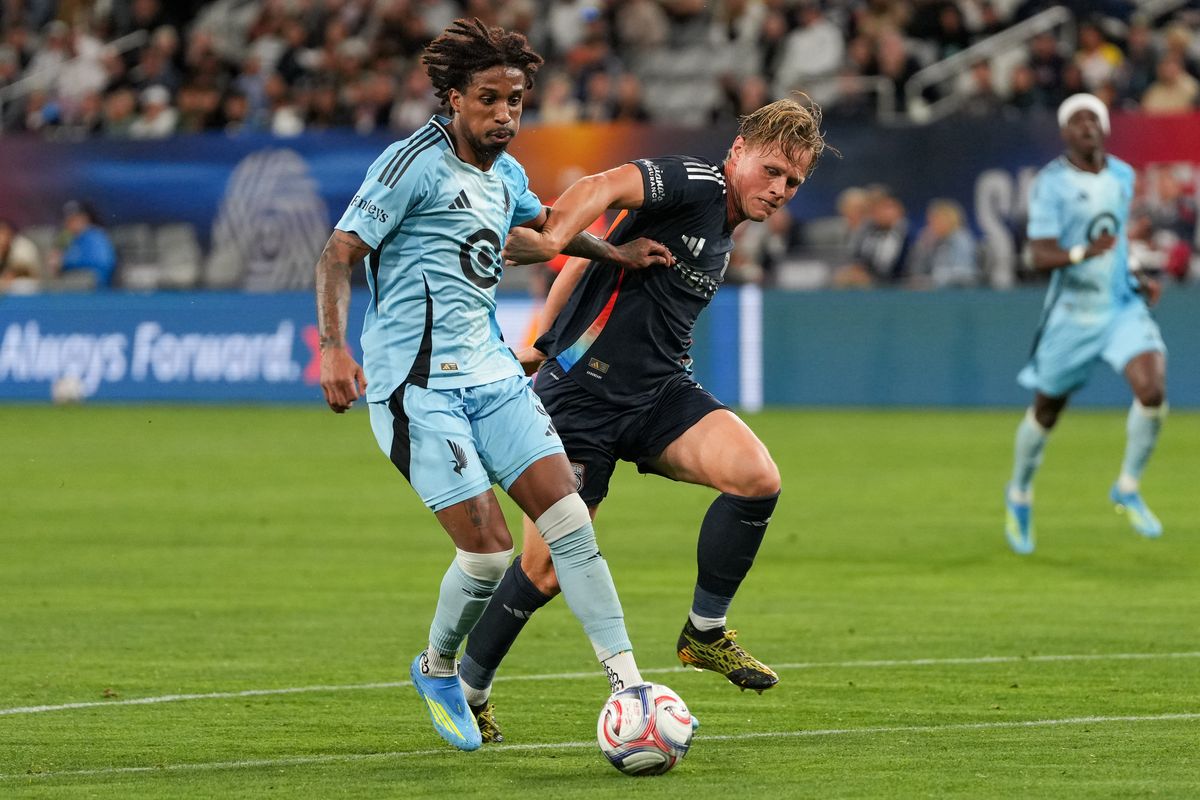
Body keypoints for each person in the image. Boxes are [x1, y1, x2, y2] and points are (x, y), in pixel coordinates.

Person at [314, 18, 673, 752]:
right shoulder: (411, 163)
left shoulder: (504, 175)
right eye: (489, 99)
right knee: (486, 556)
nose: (506, 114)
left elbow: (543, 233)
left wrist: (618, 252)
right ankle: (437, 665)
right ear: (453, 97)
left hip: (495, 377)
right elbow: (339, 252)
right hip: (418, 390)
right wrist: (332, 348)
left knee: (570, 525)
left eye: (516, 100)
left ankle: (630, 684)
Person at [458, 97, 831, 741]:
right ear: (738, 152)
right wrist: (548, 295)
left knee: (756, 478)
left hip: (658, 394)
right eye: (771, 170)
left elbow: (587, 257)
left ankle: (704, 633)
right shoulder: (695, 183)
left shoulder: (723, 224)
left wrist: (542, 332)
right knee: (544, 569)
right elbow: (600, 189)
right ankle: (468, 687)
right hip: (581, 404)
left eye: (792, 182)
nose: (779, 190)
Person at [1004, 93, 1168, 555]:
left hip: (1120, 306)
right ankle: (1019, 493)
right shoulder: (1051, 184)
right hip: (1072, 314)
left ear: (1104, 128)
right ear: (1065, 133)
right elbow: (1039, 253)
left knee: (1152, 389)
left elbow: (1113, 239)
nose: (1087, 126)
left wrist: (1136, 273)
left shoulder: (1122, 175)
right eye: (1077, 120)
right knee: (1047, 410)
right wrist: (1081, 254)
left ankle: (1128, 486)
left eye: (1093, 118)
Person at [54, 201, 117, 289]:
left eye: (74, 219)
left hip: (94, 285)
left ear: (85, 219)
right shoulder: (72, 238)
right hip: (78, 281)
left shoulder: (94, 235)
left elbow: (102, 263)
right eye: (68, 220)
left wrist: (64, 261)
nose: (68, 223)